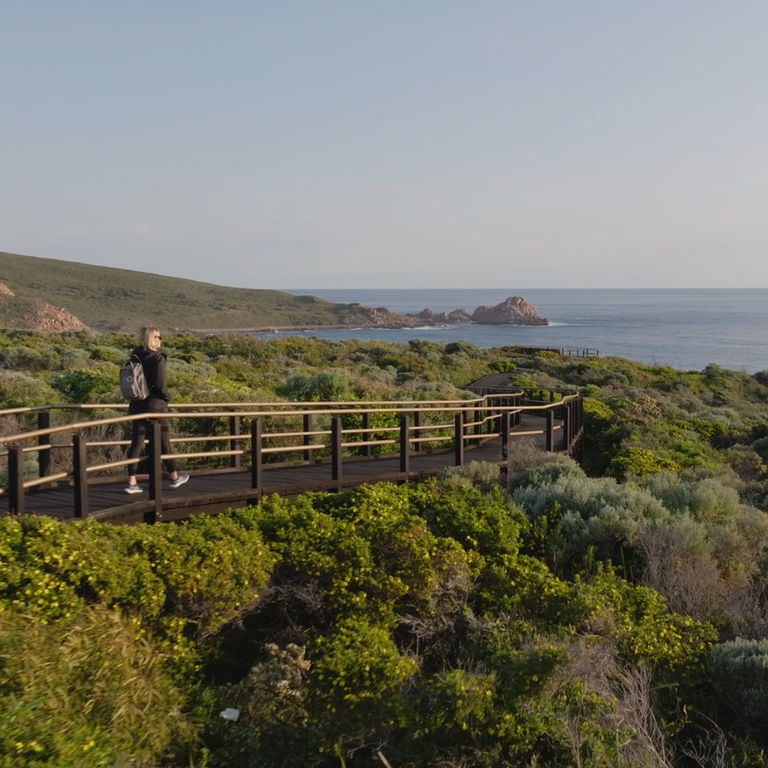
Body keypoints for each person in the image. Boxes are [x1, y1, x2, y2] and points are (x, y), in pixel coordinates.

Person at [124, 326, 189, 494]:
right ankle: (174, 477)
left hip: (138, 405)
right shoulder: (157, 358)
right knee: (164, 441)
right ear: (152, 339)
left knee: (137, 443)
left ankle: (132, 481)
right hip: (155, 407)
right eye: (159, 337)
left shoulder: (135, 356)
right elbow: (160, 385)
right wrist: (166, 398)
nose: (161, 340)